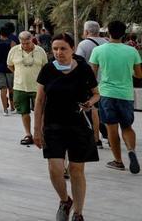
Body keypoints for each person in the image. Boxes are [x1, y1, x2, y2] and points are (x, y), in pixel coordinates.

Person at [32, 33, 99, 221]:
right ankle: (64, 200)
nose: (58, 53)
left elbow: (96, 94)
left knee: (77, 170)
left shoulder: (84, 69)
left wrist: (89, 103)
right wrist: (36, 129)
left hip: (79, 126)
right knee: (55, 168)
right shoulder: (47, 69)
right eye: (55, 49)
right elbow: (39, 101)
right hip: (53, 126)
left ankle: (78, 213)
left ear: (72, 49)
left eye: (63, 48)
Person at [90, 20, 142, 174]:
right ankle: (131, 150)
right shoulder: (132, 51)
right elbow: (139, 74)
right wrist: (128, 72)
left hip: (106, 93)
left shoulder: (98, 50)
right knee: (127, 126)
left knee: (111, 127)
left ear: (107, 33)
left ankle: (118, 161)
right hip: (126, 94)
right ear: (123, 34)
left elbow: (91, 75)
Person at [8, 31, 49, 146]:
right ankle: (28, 134)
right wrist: (18, 74)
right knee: (23, 112)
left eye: (28, 43)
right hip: (20, 86)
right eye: (23, 43)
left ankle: (41, 133)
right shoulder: (14, 50)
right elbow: (10, 65)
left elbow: (45, 67)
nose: (25, 45)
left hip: (38, 87)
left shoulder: (40, 51)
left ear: (32, 40)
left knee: (40, 112)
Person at [76, 20, 109, 147]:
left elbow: (79, 63)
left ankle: (96, 139)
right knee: (104, 111)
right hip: (105, 82)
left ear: (86, 31)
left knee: (92, 110)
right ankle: (109, 135)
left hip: (91, 82)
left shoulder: (83, 44)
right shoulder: (106, 42)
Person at [0, 26, 16, 116]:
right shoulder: (12, 43)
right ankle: (12, 107)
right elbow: (15, 57)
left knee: (3, 89)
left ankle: (5, 109)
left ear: (0, 33)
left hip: (0, 68)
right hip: (10, 68)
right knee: (11, 89)